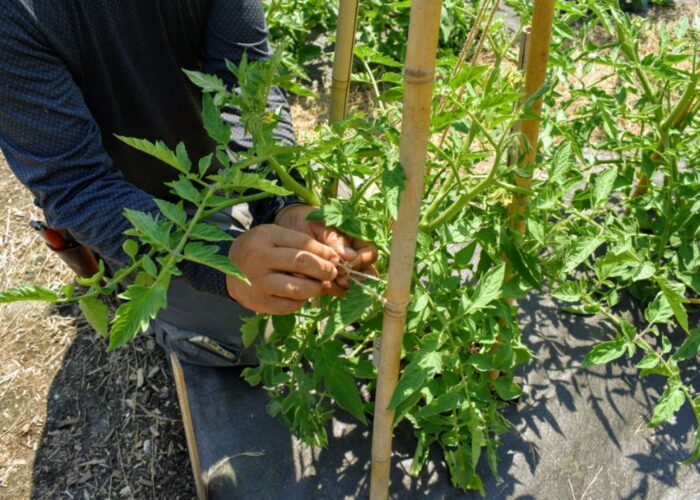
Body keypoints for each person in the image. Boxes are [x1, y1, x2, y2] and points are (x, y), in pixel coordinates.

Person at [0, 0, 378, 365]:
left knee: (359, 232)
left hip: (223, 173)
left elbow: (244, 80)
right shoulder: (13, 14)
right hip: (137, 213)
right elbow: (78, 184)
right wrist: (219, 266)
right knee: (250, 336)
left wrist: (281, 205)